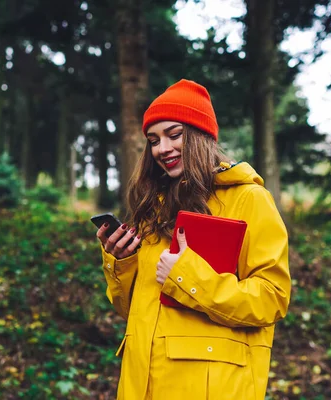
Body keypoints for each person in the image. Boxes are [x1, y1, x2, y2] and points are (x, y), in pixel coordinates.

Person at [95, 79, 291, 399]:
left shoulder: (249, 199)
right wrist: (122, 261)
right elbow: (131, 310)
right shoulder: (153, 210)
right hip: (141, 384)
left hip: (210, 386)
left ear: (201, 137)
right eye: (153, 140)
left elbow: (272, 298)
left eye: (174, 135)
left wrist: (186, 275)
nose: (162, 149)